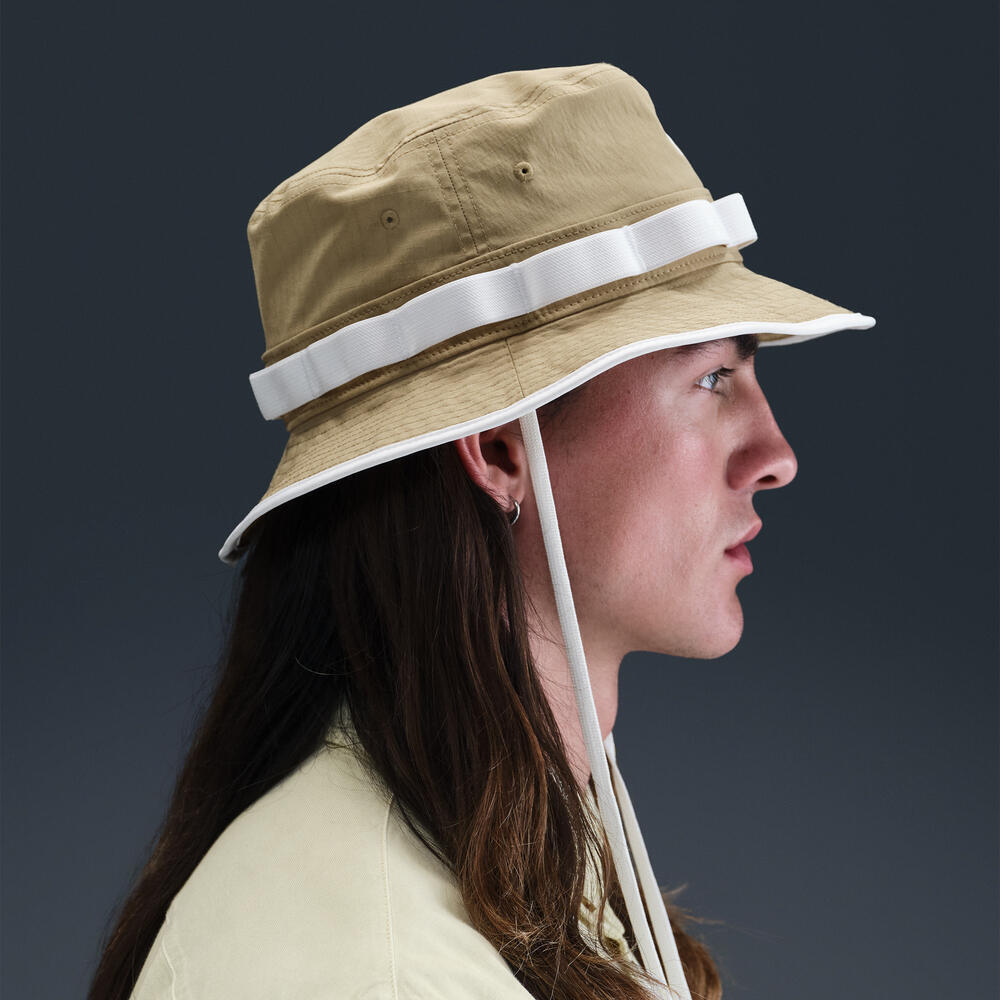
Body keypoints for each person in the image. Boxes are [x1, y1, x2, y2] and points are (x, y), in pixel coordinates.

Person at [87, 62, 875, 1000]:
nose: (776, 456)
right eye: (711, 378)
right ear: (501, 448)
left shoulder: (518, 853)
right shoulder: (368, 966)